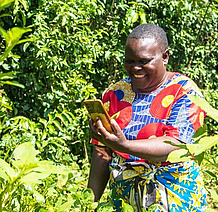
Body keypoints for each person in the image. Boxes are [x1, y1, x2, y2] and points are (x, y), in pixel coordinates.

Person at [87, 23, 207, 212]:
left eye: (144, 61)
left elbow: (176, 145)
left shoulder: (184, 91)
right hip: (124, 199)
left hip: (175, 198)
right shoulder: (115, 93)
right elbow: (101, 152)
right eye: (129, 60)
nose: (135, 68)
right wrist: (90, 204)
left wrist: (124, 146)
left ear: (165, 57)